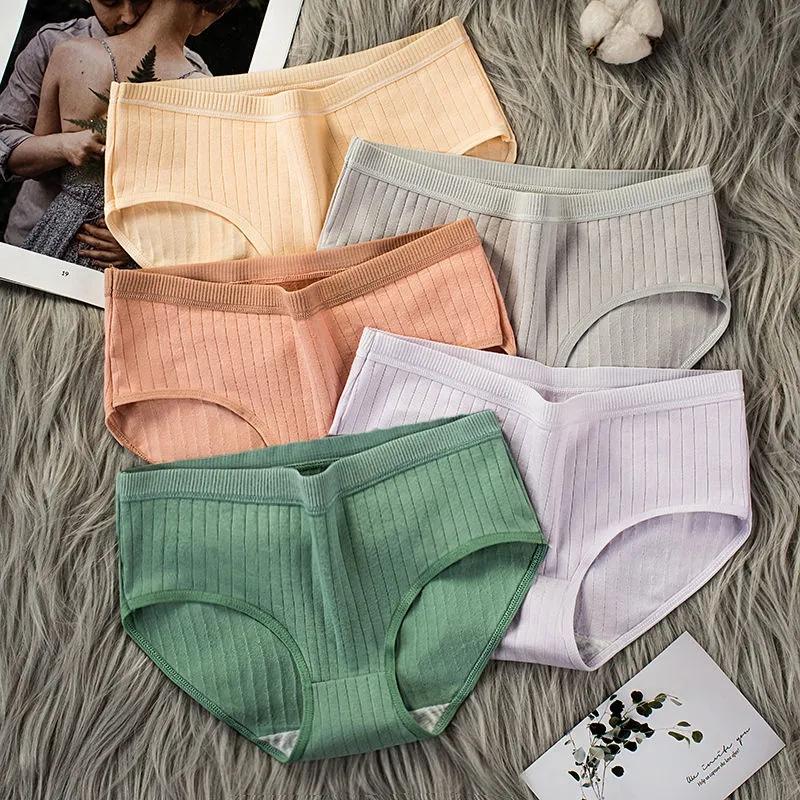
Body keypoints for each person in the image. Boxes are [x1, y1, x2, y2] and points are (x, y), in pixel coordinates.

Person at [0, 0, 211, 265]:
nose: (128, 15)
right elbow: (5, 140)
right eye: (111, 1)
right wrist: (64, 146)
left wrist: (144, 241)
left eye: (138, 0)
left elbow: (192, 199)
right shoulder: (56, 43)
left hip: (118, 259)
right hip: (34, 233)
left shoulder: (196, 77)